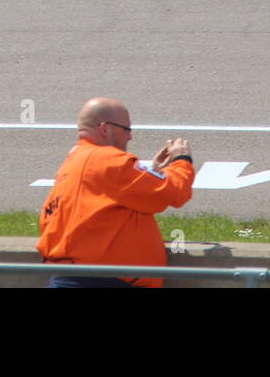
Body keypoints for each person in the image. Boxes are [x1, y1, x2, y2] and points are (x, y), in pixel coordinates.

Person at [37, 97, 193, 288]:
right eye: (126, 129)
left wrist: (152, 171)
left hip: (72, 277)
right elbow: (174, 193)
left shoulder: (76, 160)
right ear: (104, 129)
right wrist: (182, 160)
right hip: (102, 281)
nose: (129, 137)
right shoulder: (109, 161)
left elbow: (117, 198)